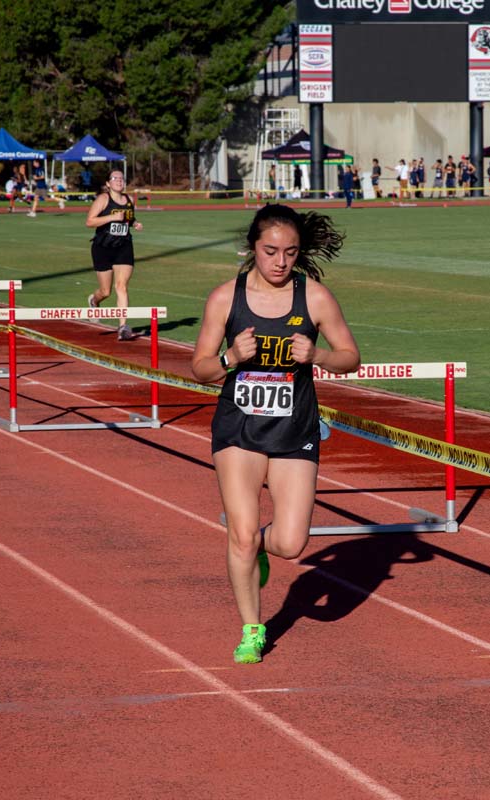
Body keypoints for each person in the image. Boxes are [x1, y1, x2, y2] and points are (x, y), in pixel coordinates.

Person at [191, 203, 361, 665]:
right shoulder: (226, 298)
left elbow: (351, 356)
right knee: (241, 536)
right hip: (239, 428)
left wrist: (319, 356)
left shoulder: (316, 298)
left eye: (290, 252)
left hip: (294, 428)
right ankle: (252, 629)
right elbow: (200, 368)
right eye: (270, 251)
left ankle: (256, 546)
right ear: (253, 247)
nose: (281, 262)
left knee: (290, 543)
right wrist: (229, 359)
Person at [85, 170, 142, 341]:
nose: (119, 180)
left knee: (122, 286)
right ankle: (94, 301)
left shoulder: (129, 200)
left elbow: (128, 219)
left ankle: (123, 326)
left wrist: (135, 223)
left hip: (123, 246)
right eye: (114, 178)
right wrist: (111, 218)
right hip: (102, 247)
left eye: (121, 178)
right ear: (108, 184)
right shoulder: (103, 199)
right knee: (105, 291)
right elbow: (89, 221)